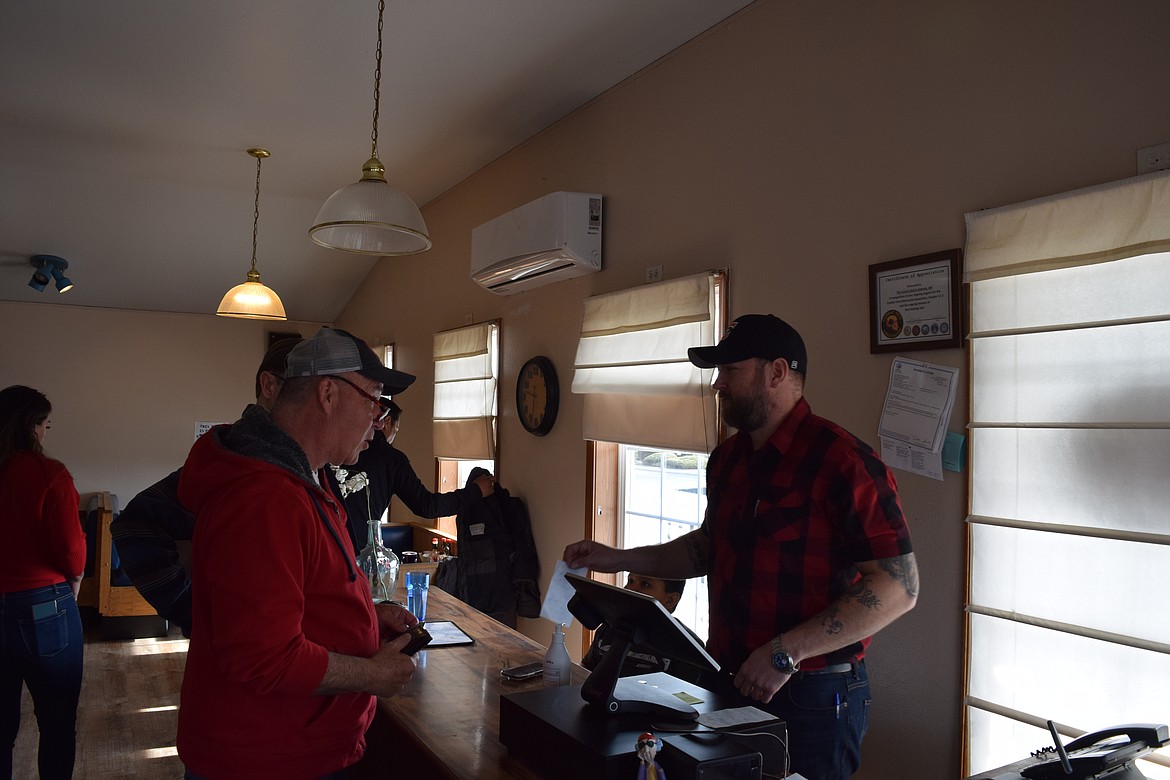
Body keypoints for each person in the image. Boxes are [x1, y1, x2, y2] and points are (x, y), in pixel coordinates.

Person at [564, 314, 919, 780]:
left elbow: (898, 587)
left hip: (811, 694)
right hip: (724, 679)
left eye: (730, 371)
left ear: (777, 372)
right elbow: (707, 548)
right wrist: (616, 558)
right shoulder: (728, 460)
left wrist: (784, 653)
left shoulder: (843, 462)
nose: (717, 384)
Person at [176, 327, 420, 778]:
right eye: (374, 400)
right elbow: (263, 656)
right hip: (266, 757)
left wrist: (368, 612)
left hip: (294, 745)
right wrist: (372, 674)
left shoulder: (306, 477)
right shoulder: (264, 497)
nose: (379, 420)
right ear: (328, 393)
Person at [110, 337, 303, 637]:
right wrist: (194, 612)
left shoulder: (302, 460)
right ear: (268, 387)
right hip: (242, 655)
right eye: (306, 389)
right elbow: (135, 524)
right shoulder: (239, 455)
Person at [0, 385, 86, 780]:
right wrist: (75, 583)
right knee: (56, 724)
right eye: (46, 425)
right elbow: (70, 550)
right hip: (44, 607)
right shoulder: (50, 474)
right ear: (33, 427)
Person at [327, 398, 494, 556]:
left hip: (325, 538)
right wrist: (476, 491)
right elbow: (427, 506)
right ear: (385, 422)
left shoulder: (336, 446)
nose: (393, 437)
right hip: (359, 551)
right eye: (396, 430)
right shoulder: (390, 459)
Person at [581, 574, 705, 683]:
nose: (630, 589)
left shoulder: (687, 647)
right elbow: (585, 672)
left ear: (670, 600)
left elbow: (686, 699)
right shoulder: (609, 629)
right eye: (630, 581)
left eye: (645, 584)